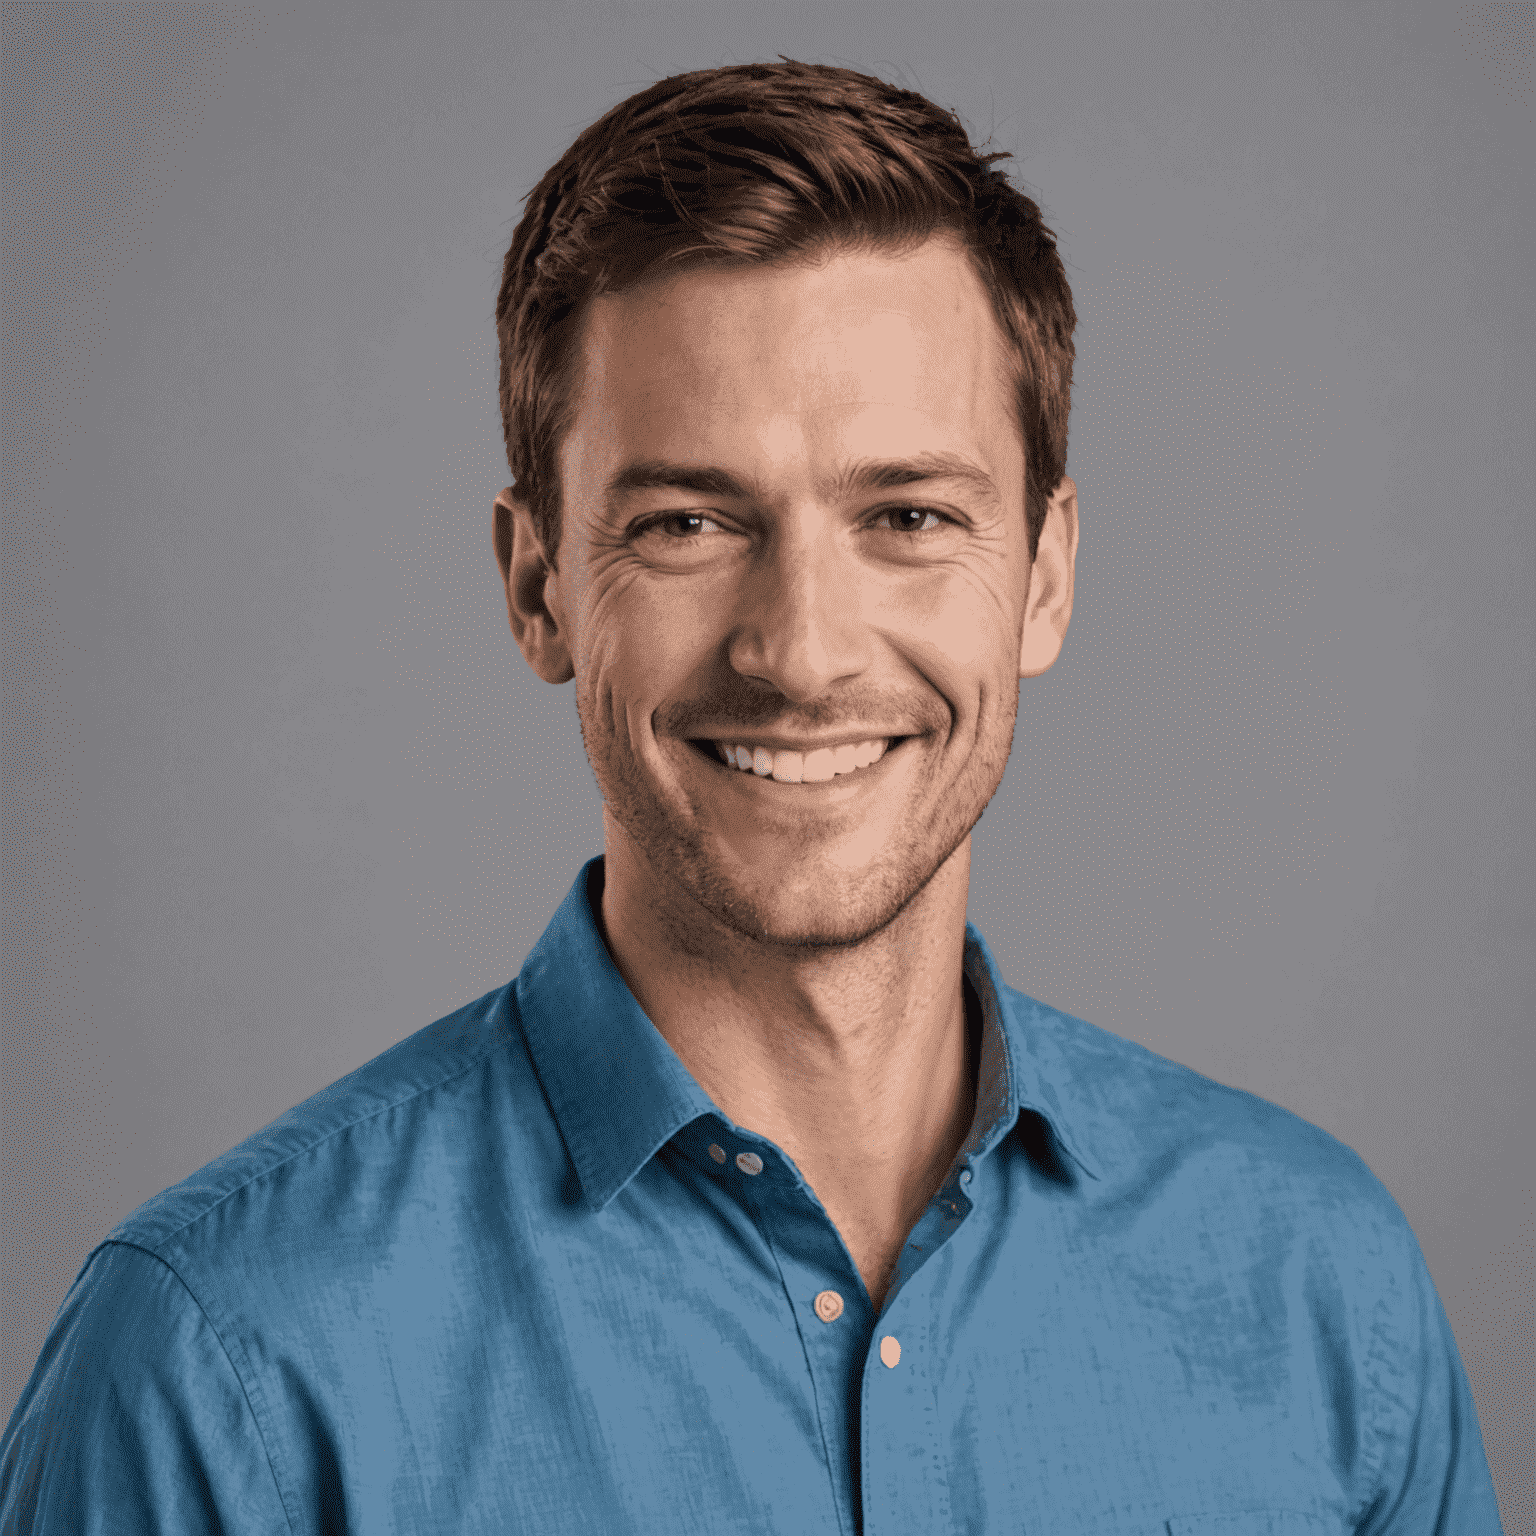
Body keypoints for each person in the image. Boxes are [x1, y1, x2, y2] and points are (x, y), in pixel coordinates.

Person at [0, 59, 1502, 1535]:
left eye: (908, 516)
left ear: (1043, 577)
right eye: (687, 522)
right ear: (539, 590)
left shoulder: (1322, 1295)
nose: (800, 652)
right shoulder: (218, 1363)